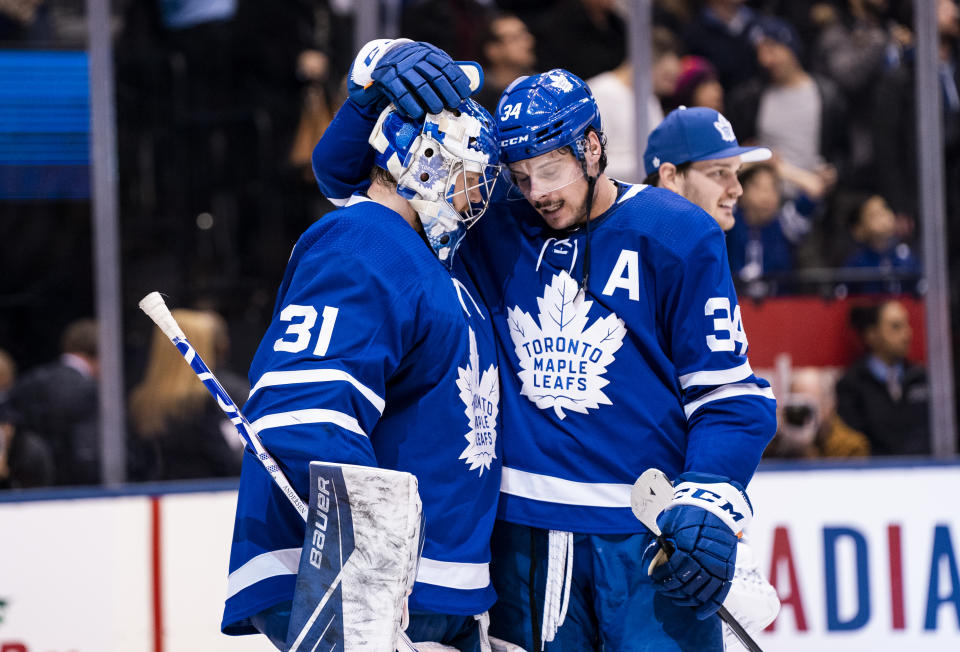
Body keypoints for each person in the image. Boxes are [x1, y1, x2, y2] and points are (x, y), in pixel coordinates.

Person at [312, 42, 777, 651]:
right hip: (523, 543)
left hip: (644, 537)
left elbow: (728, 395)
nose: (536, 192)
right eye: (521, 174)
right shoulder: (490, 222)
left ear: (591, 148)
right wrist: (369, 90)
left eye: (549, 170)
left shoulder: (676, 233)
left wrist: (710, 498)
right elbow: (343, 181)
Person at [221, 43, 503, 651]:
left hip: (429, 589)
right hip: (361, 587)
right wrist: (364, 586)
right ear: (426, 163)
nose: (478, 196)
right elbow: (305, 411)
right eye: (471, 175)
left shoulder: (430, 262)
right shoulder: (363, 241)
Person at [128, 309, 244, 481]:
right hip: (210, 497)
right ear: (205, 347)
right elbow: (228, 462)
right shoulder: (205, 402)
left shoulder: (141, 401)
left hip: (159, 495)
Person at [642, 105, 772, 232]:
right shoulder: (641, 248)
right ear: (670, 177)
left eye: (736, 172)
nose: (737, 190)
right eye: (719, 172)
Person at [8, 318, 100, 486]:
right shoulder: (90, 391)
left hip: (30, 489)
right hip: (78, 492)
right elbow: (88, 457)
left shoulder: (30, 380)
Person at [835, 300, 930, 455]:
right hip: (875, 475)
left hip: (926, 473)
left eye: (907, 325)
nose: (907, 334)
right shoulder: (851, 386)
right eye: (896, 327)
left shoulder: (922, 378)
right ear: (872, 335)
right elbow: (854, 445)